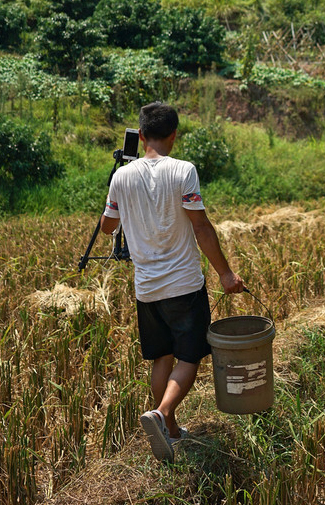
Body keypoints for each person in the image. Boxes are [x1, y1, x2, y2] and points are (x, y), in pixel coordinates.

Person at [100, 102, 245, 462]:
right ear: (174, 135)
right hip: (183, 284)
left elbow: (107, 227)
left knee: (161, 357)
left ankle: (172, 430)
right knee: (190, 356)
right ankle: (163, 413)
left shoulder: (122, 177)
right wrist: (225, 274)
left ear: (141, 135)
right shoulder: (183, 171)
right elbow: (201, 226)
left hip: (146, 288)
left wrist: (121, 191)